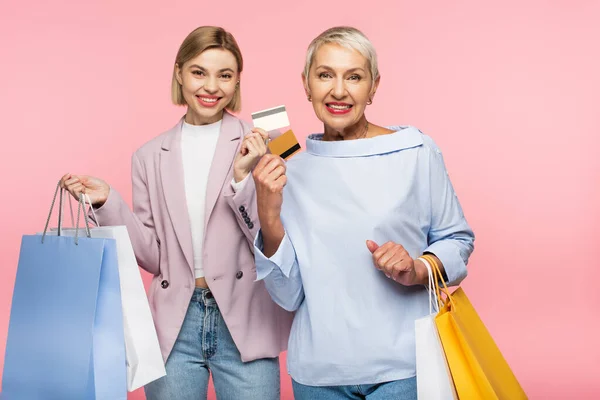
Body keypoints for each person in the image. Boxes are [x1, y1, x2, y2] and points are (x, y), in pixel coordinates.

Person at [61, 26, 292, 400]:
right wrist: (107, 202)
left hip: (246, 315)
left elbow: (275, 239)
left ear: (236, 83)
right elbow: (153, 257)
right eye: (199, 72)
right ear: (179, 73)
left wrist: (240, 179)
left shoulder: (267, 141)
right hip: (174, 323)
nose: (211, 86)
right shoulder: (149, 155)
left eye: (225, 75)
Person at [252, 26, 475, 400]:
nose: (338, 91)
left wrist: (417, 268)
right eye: (325, 75)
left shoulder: (415, 151)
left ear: (373, 87)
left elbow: (457, 239)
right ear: (306, 84)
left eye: (354, 77)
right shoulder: (289, 168)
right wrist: (268, 216)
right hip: (318, 374)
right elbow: (288, 297)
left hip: (404, 367)